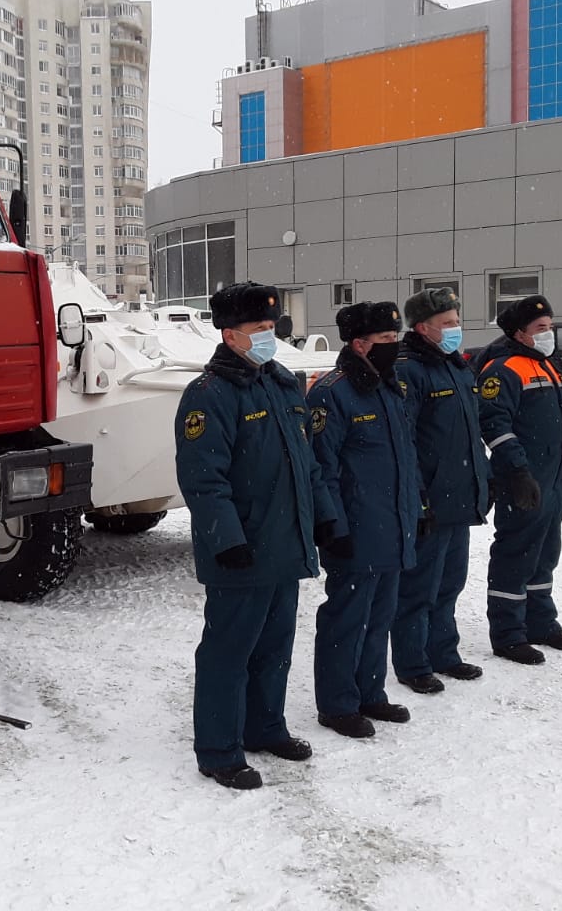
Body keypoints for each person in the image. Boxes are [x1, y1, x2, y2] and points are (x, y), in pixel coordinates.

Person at [175, 281, 337, 790]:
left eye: (272, 327)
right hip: (241, 551)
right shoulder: (209, 395)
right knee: (229, 650)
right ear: (230, 335)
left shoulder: (283, 383)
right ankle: (220, 748)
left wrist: (326, 518)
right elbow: (203, 478)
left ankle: (265, 727)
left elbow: (306, 463)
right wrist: (228, 540)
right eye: (259, 329)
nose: (269, 336)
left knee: (275, 645)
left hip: (285, 544)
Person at [306, 301, 420, 739]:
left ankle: (370, 692)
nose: (396, 346)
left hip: (393, 526)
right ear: (359, 344)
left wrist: (417, 511)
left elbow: (404, 461)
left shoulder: (390, 387)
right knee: (347, 618)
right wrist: (332, 524)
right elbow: (322, 466)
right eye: (388, 340)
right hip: (355, 528)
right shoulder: (331, 392)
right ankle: (337, 704)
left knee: (380, 616)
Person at [478, 295, 562, 665]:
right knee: (516, 555)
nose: (549, 333)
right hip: (523, 482)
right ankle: (508, 633)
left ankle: (540, 622)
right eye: (541, 329)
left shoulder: (546, 367)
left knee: (544, 555)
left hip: (553, 482)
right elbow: (495, 425)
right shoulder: (504, 369)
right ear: (520, 334)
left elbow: (559, 425)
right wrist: (519, 472)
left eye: (550, 327)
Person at [390, 288, 489, 695]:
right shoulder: (408, 369)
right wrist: (418, 497)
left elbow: (469, 433)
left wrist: (484, 481)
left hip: (460, 496)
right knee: (419, 588)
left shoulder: (456, 366)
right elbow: (405, 441)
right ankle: (413, 662)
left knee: (451, 582)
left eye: (456, 321)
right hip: (430, 500)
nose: (455, 329)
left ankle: (443, 652)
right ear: (422, 328)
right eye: (447, 323)